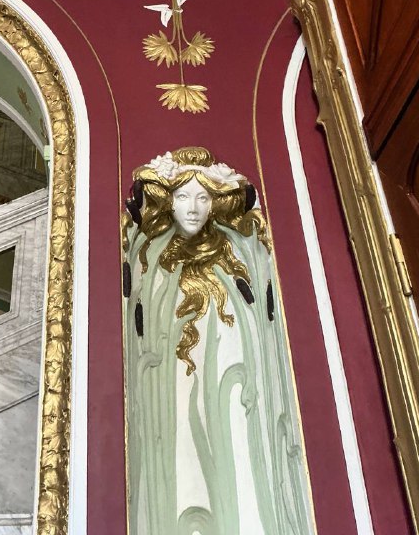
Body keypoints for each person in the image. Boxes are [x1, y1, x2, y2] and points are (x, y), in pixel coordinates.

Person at [122, 147, 314, 535]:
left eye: (203, 197)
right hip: (167, 411)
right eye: (182, 197)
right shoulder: (151, 261)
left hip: (239, 405)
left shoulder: (238, 258)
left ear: (215, 203)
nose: (193, 208)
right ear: (168, 202)